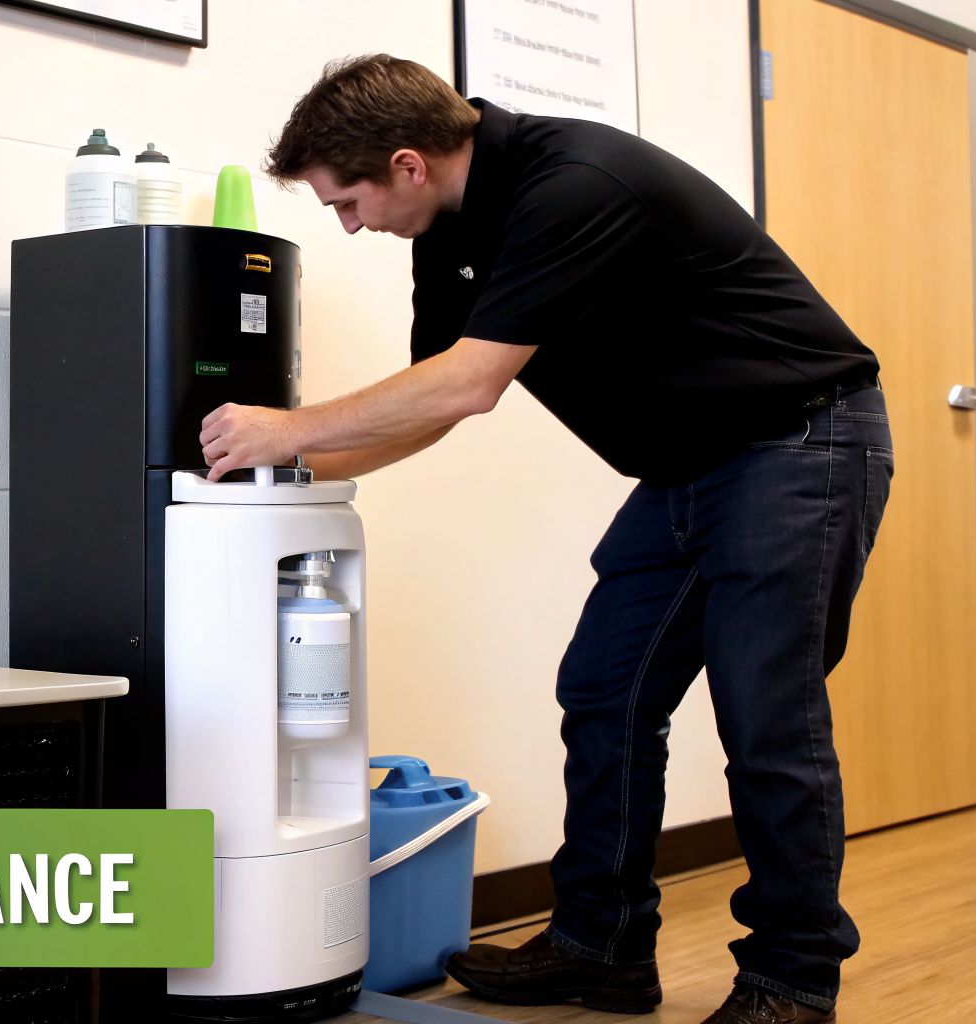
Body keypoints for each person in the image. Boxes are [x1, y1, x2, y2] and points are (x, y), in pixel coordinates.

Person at [198, 55, 891, 1024]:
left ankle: (791, 977)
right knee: (603, 690)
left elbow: (467, 382)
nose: (348, 225)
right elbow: (431, 404)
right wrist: (282, 483)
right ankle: (598, 948)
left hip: (796, 443)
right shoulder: (445, 228)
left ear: (405, 164)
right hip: (688, 468)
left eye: (346, 202)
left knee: (765, 714)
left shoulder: (570, 185)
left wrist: (285, 425)